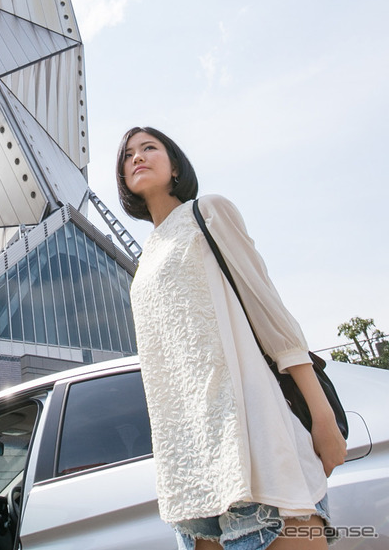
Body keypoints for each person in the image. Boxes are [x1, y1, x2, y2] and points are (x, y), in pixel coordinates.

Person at [116, 126, 347, 550]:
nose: (137, 157)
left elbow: (269, 311)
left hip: (253, 442)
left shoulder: (208, 212)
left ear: (174, 165)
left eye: (149, 148)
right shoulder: (145, 258)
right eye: (128, 154)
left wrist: (323, 418)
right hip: (191, 471)